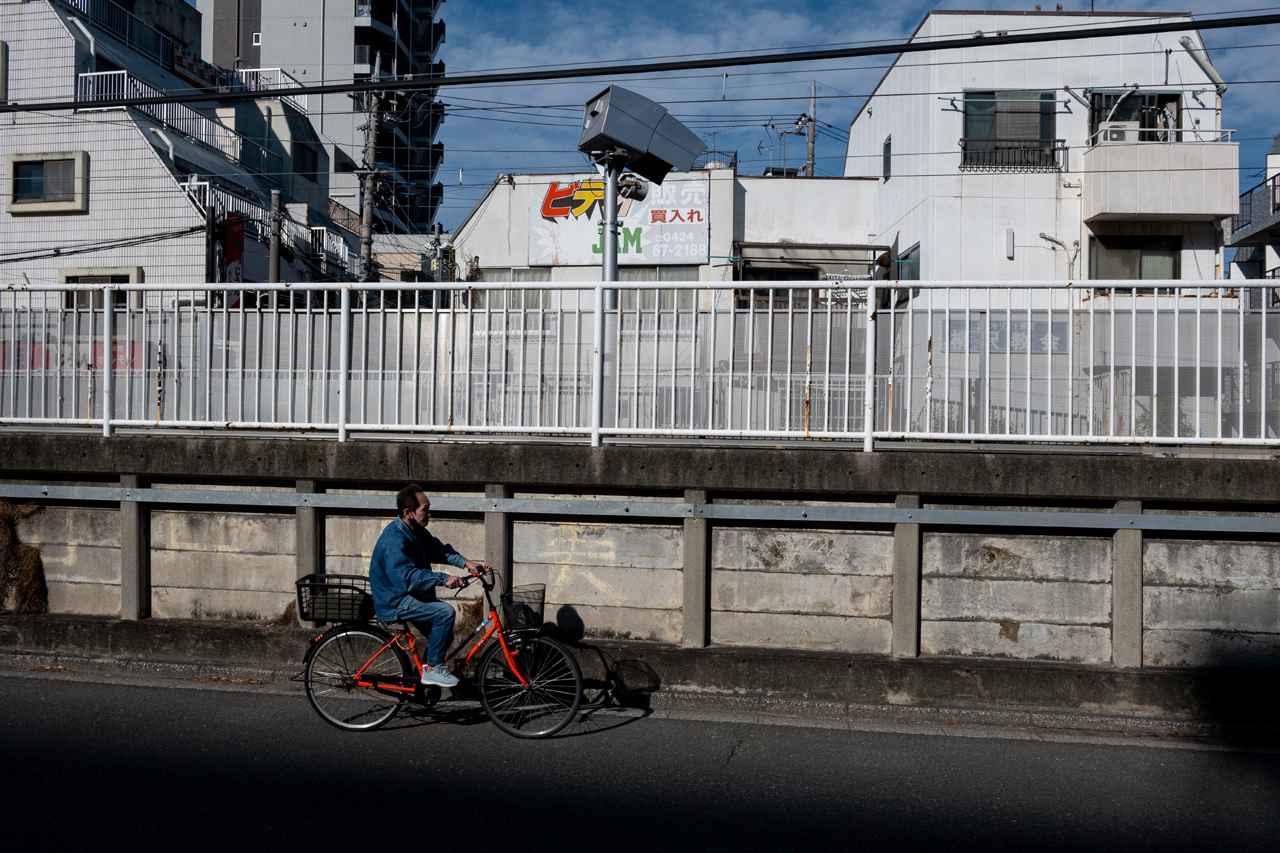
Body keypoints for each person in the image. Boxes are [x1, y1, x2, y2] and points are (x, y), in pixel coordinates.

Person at [369, 484, 489, 688]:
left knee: (442, 634)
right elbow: (406, 577)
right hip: (394, 599)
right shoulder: (394, 539)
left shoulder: (416, 531)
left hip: (409, 594)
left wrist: (467, 563)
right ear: (409, 513)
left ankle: (420, 683)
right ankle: (433, 670)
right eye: (425, 509)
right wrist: (444, 579)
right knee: (444, 613)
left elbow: (440, 551)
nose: (429, 513)